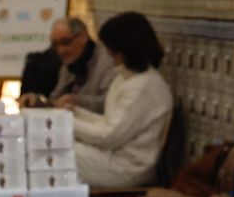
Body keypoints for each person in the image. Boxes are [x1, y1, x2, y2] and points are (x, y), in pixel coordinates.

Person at [69, 10, 174, 186]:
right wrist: (75, 113)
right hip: (112, 155)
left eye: (111, 51)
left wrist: (68, 123)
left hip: (128, 167)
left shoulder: (145, 86)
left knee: (56, 155)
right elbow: (109, 122)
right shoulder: (125, 77)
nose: (109, 56)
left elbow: (109, 136)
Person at [45, 14, 118, 112]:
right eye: (55, 45)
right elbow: (56, 98)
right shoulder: (69, 63)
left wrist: (76, 101)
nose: (60, 50)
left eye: (66, 42)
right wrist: (38, 101)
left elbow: (110, 103)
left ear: (83, 37)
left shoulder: (108, 60)